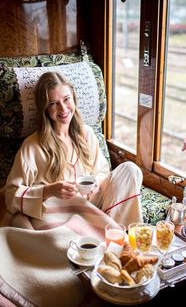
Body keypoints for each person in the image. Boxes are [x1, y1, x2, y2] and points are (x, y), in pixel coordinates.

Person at [4, 71, 143, 229]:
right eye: (53, 103)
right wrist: (48, 191)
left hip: (92, 204)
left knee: (130, 170)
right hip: (60, 215)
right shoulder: (32, 146)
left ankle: (122, 236)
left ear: (74, 98)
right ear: (45, 109)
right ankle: (108, 234)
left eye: (66, 99)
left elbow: (103, 173)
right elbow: (10, 196)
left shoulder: (87, 134)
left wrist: (96, 182)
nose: (63, 108)